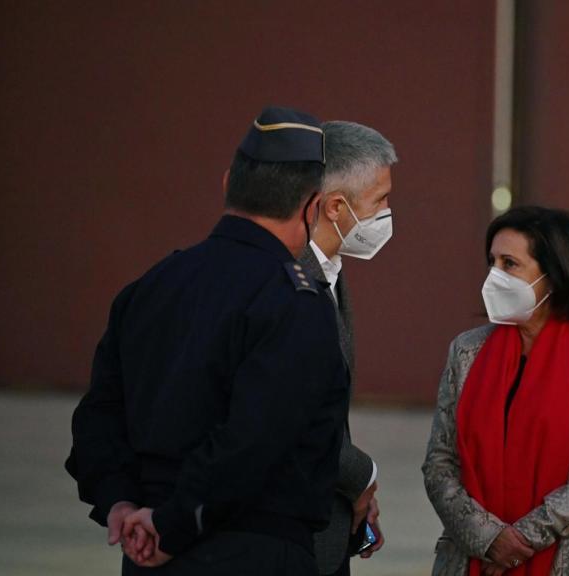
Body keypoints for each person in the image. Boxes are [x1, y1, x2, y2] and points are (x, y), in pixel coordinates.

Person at [65, 106, 350, 575]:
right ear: (313, 206)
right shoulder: (295, 300)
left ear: (227, 186)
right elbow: (254, 440)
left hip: (146, 551)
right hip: (250, 551)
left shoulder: (150, 287)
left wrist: (121, 504)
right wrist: (173, 525)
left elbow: (98, 417)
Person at [423, 206, 569, 576]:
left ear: (554, 276)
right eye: (492, 262)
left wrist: (521, 540)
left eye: (510, 264)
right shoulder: (467, 351)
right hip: (473, 558)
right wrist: (489, 539)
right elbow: (440, 463)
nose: (494, 276)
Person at [302, 120, 397, 575]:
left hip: (329, 521)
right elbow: (298, 415)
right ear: (336, 206)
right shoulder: (288, 282)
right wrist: (362, 478)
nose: (386, 214)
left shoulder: (332, 269)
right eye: (379, 201)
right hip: (293, 541)